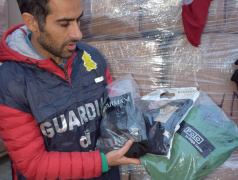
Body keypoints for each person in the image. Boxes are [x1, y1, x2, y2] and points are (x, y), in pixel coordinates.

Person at [0, 0, 140, 179]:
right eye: (64, 24)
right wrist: (103, 162)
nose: (78, 34)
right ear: (32, 22)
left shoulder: (92, 57)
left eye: (78, 20)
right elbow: (33, 164)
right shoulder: (9, 82)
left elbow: (114, 115)